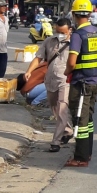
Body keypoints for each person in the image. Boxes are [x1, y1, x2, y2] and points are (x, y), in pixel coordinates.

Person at [65, 0, 97, 167]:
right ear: (89, 13)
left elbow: (72, 62)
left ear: (74, 14)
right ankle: (87, 153)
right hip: (96, 81)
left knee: (80, 120)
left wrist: (66, 72)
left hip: (81, 82)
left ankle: (80, 158)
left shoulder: (78, 35)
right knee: (88, 119)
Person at [28, 16, 73, 152]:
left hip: (65, 81)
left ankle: (55, 142)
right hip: (50, 79)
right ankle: (68, 131)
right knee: (54, 109)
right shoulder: (48, 41)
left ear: (70, 30)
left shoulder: (75, 43)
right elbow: (39, 58)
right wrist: (29, 71)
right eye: (57, 31)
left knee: (61, 109)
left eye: (63, 32)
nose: (60, 35)